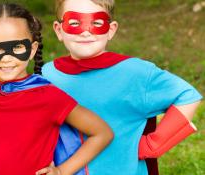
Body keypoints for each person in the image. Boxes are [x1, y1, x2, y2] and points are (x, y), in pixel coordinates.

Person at [42, 0, 203, 175]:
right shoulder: (48, 73)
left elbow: (187, 96)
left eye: (97, 23)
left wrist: (153, 145)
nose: (86, 32)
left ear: (111, 30)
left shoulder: (135, 72)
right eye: (74, 23)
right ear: (59, 30)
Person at [0, 3, 113, 175]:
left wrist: (62, 171)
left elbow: (102, 133)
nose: (6, 58)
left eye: (17, 47)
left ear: (32, 50)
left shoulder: (49, 97)